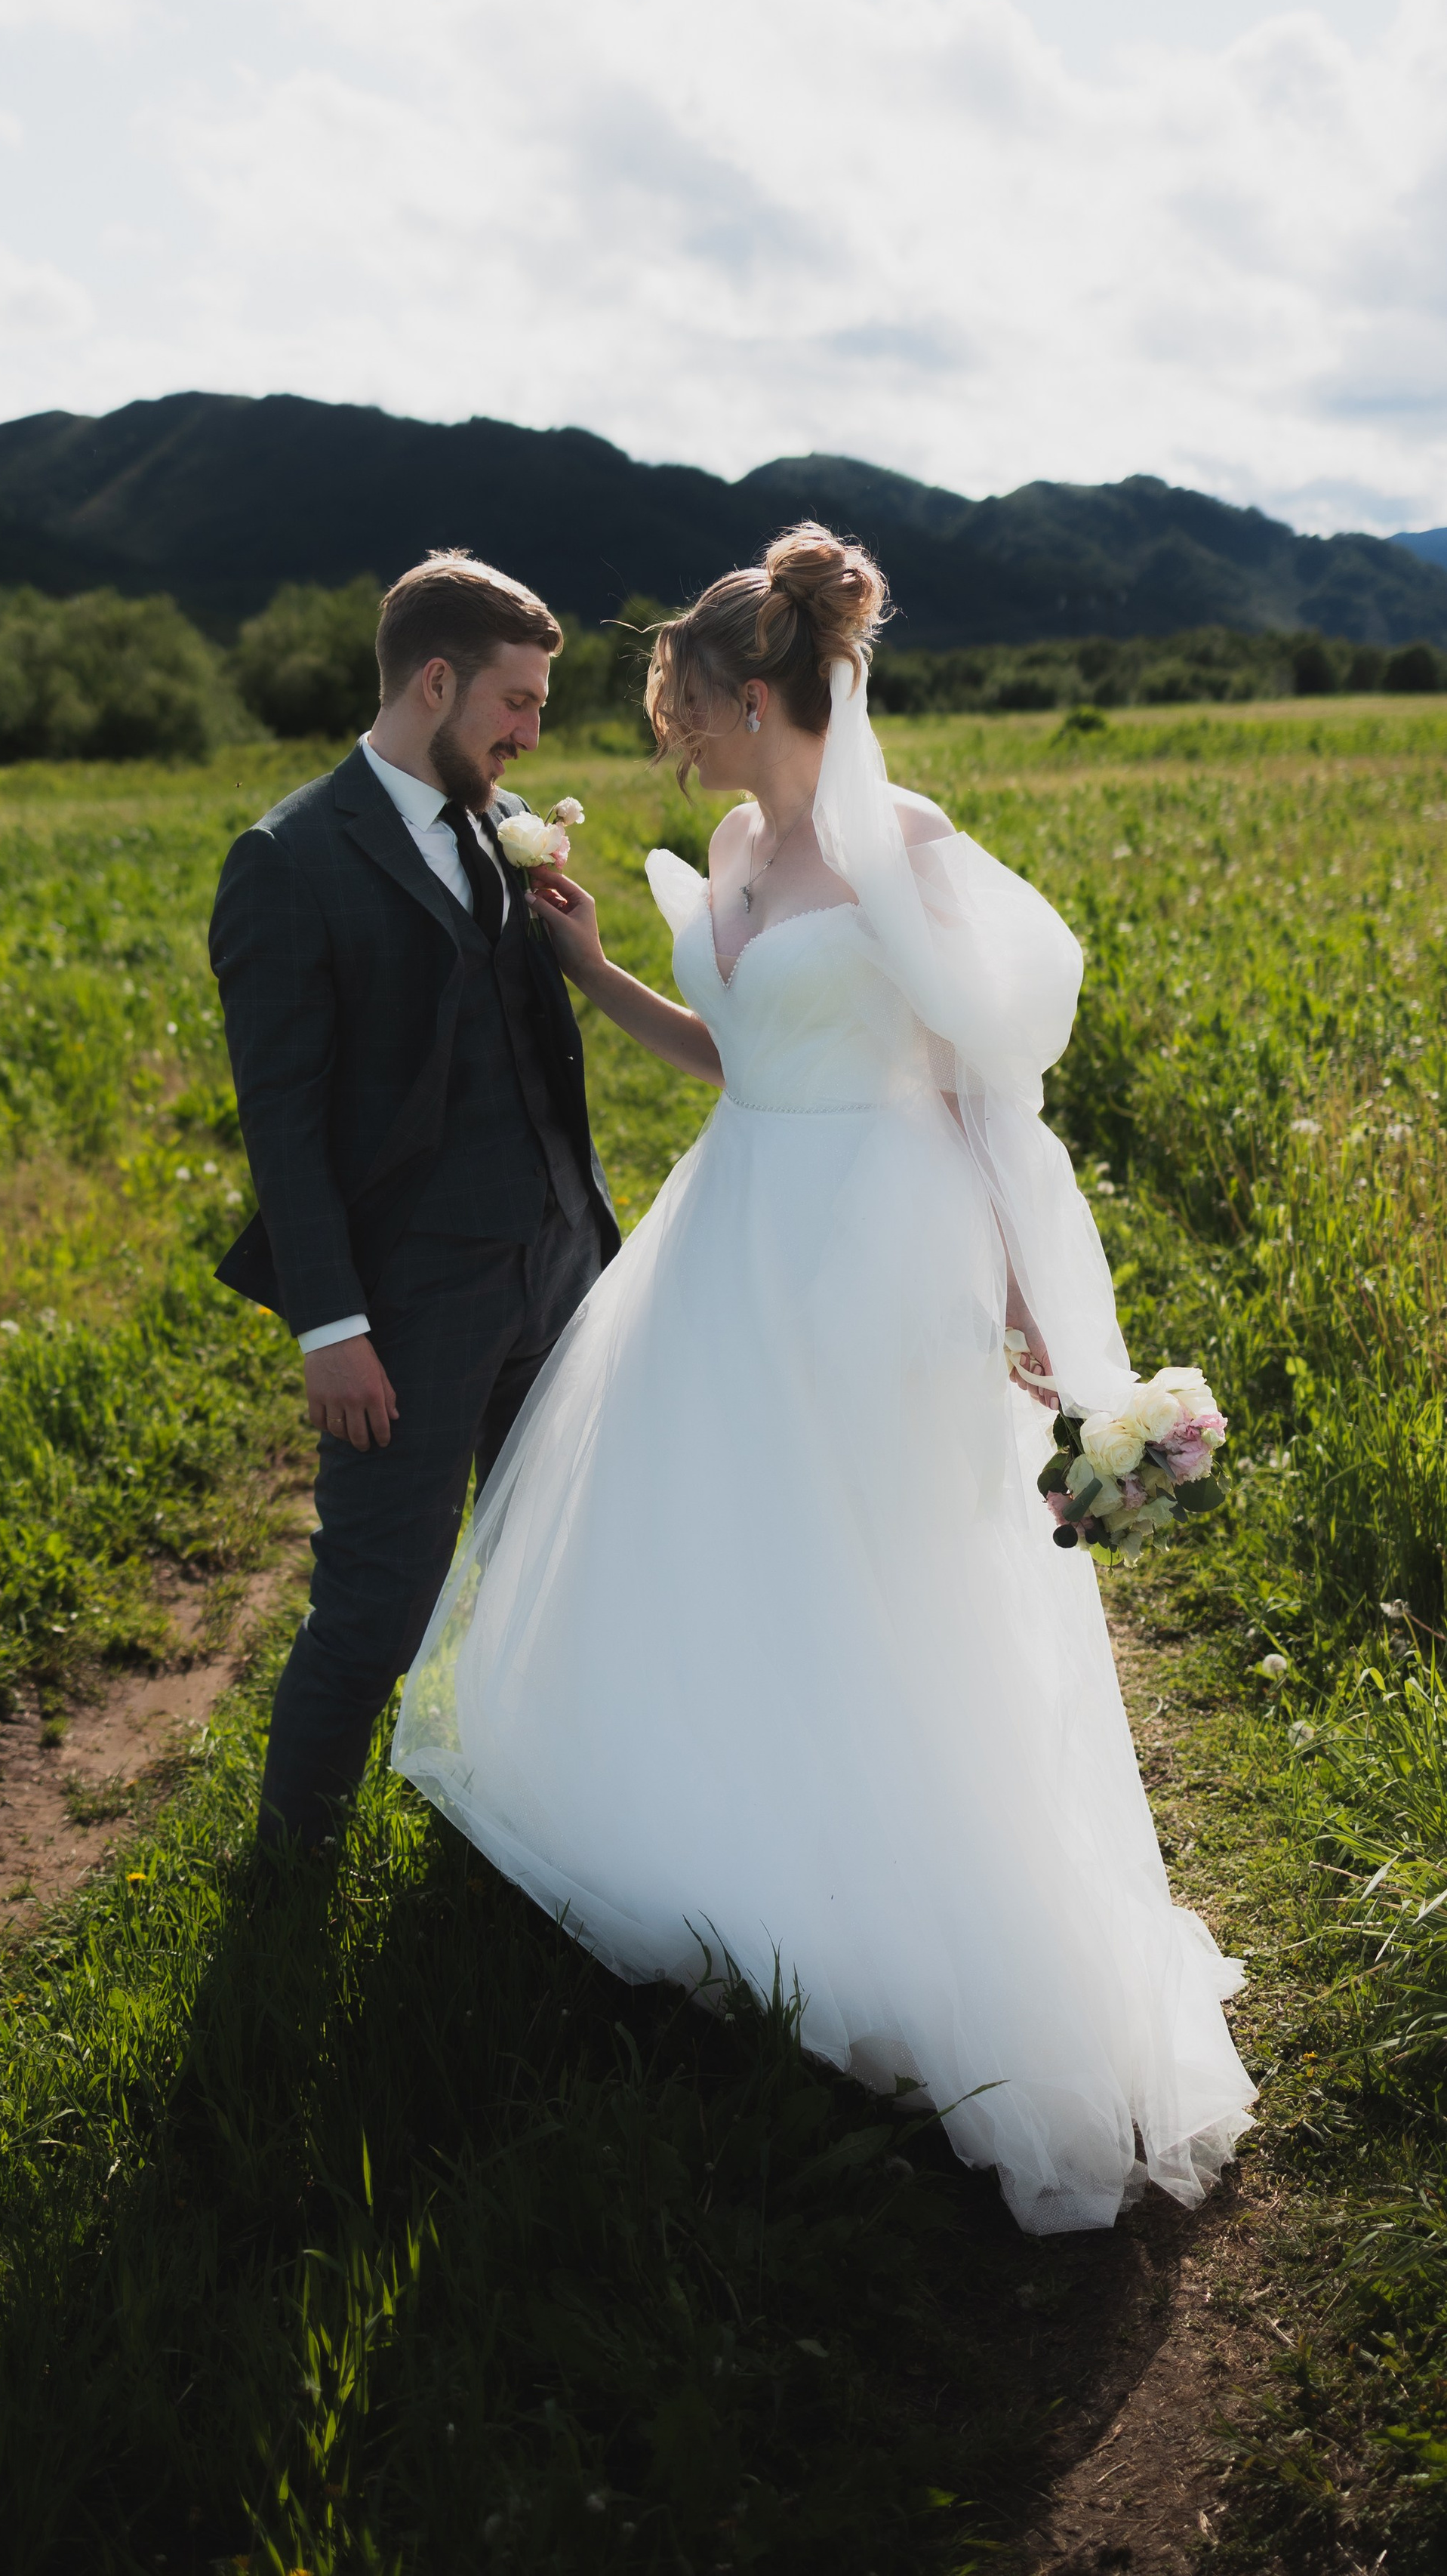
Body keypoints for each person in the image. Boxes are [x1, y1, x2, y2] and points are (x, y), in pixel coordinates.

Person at [390, 525, 1255, 2236]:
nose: (672, 735)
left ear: (753, 687)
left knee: (887, 1565)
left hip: (882, 1237)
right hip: (738, 1230)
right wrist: (586, 965)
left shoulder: (902, 851)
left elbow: (981, 1090)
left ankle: (923, 1921)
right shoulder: (726, 839)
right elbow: (729, 1058)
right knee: (731, 1546)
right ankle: (749, 1861)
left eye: (685, 704)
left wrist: (1034, 1305)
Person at [209, 550, 621, 1848]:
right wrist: (329, 1328)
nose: (532, 733)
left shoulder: (488, 826)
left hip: (557, 1265)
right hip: (411, 1300)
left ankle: (533, 1811)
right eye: (517, 702)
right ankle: (291, 1866)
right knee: (382, 1602)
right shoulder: (288, 860)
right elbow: (282, 1119)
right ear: (433, 681)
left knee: (558, 1561)